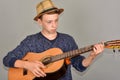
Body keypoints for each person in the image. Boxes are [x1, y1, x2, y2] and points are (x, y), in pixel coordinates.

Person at [3, 0, 104, 80]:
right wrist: (27, 65)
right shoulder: (31, 41)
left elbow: (80, 66)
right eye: (49, 22)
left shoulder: (67, 40)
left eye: (56, 20)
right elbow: (7, 59)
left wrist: (92, 56)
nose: (54, 25)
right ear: (39, 21)